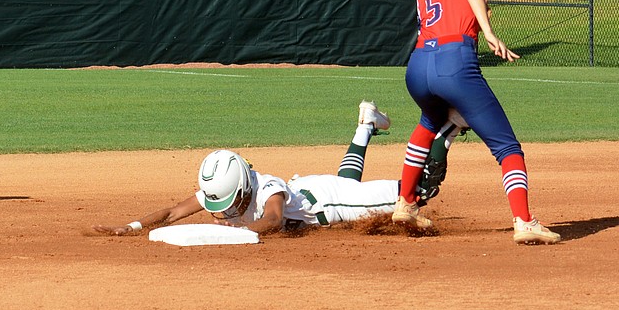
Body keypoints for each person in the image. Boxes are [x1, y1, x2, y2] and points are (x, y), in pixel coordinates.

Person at [391, 0, 561, 244]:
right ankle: (523, 221)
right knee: (507, 148)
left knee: (428, 123)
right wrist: (489, 31)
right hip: (454, 61)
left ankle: (405, 203)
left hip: (417, 66)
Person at [91, 101, 454, 236]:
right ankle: (365, 124)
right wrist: (132, 226)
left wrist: (235, 234)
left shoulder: (268, 189)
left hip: (332, 207)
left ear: (244, 188)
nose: (222, 213)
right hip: (318, 188)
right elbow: (172, 212)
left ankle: (450, 124)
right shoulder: (226, 185)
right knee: (345, 181)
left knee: (419, 192)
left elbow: (274, 220)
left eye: (229, 204)